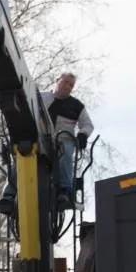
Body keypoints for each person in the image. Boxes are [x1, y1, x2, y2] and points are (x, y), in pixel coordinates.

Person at [40, 72, 94, 205]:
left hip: (64, 139)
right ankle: (10, 192)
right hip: (41, 137)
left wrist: (82, 134)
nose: (68, 86)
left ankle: (65, 189)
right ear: (57, 80)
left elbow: (87, 125)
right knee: (23, 153)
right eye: (65, 82)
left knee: (66, 152)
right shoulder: (40, 98)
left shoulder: (77, 106)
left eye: (71, 85)